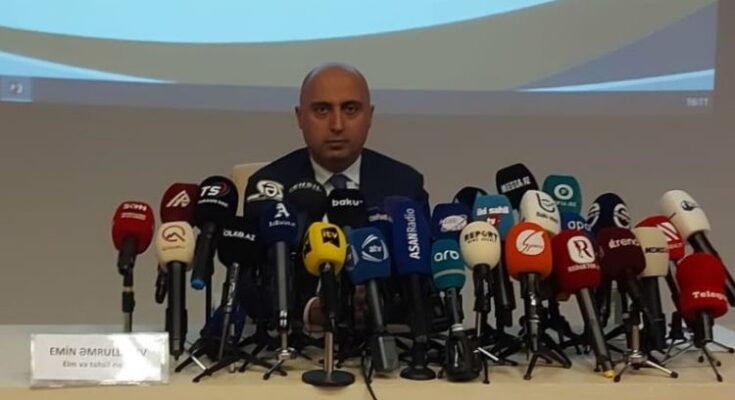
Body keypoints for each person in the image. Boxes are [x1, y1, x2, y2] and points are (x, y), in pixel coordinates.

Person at [243, 62, 430, 335]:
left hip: (381, 338)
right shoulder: (269, 185)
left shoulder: (403, 184)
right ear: (300, 117)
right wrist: (309, 310)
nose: (337, 125)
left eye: (350, 109)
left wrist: (379, 303)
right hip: (295, 340)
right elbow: (251, 284)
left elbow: (422, 282)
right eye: (322, 110)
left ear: (370, 116)